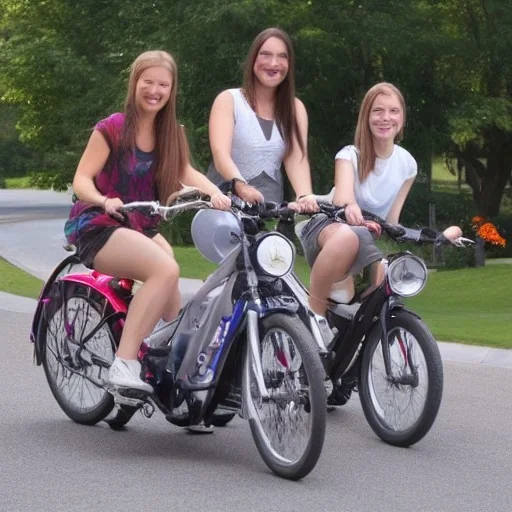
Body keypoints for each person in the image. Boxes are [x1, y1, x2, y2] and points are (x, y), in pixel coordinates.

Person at [64, 50, 231, 396]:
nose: (155, 90)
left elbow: (186, 171)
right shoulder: (112, 128)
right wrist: (102, 199)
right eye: (148, 82)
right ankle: (124, 363)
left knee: (175, 312)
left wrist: (218, 194)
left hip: (142, 227)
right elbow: (81, 179)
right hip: (100, 224)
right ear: (135, 83)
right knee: (165, 269)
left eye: (163, 84)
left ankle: (172, 381)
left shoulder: (171, 133)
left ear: (172, 90)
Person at [299, 82, 462, 317]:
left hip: (368, 236)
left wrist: (436, 237)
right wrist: (352, 209)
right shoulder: (349, 155)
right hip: (329, 228)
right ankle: (315, 315)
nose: (386, 118)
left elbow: (392, 222)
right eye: (378, 111)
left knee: (381, 293)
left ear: (403, 118)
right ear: (367, 117)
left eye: (393, 111)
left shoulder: (408, 164)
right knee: (350, 236)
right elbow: (343, 201)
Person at [207, 27, 317, 212]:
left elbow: (296, 157)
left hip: (269, 208)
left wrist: (305, 196)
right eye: (265, 54)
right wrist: (241, 186)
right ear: (253, 59)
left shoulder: (295, 108)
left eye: (282, 56)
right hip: (223, 201)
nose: (274, 63)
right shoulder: (229, 100)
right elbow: (220, 154)